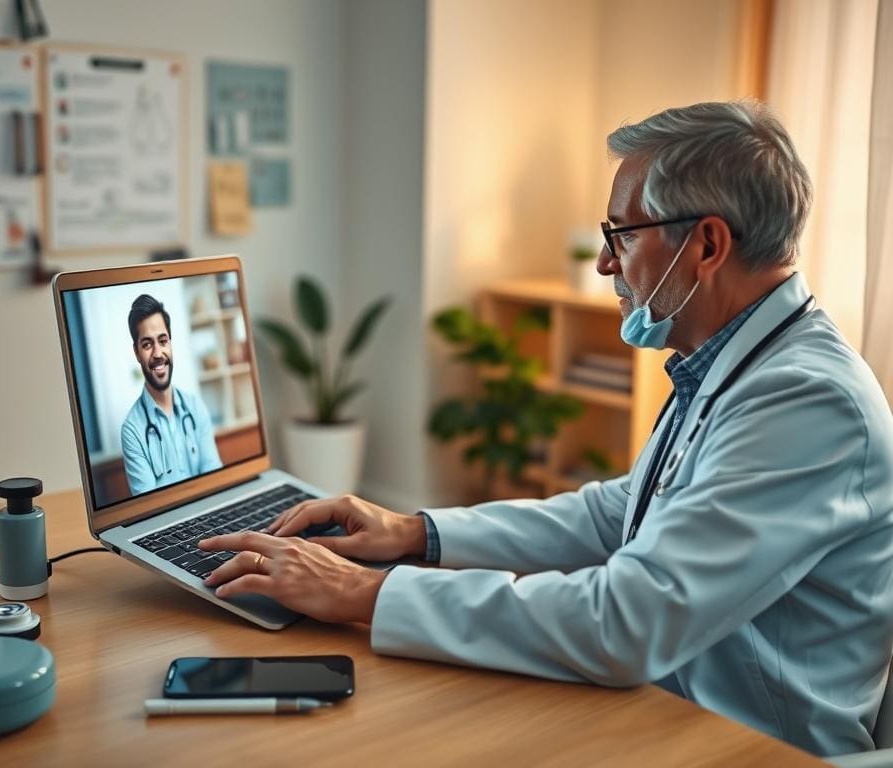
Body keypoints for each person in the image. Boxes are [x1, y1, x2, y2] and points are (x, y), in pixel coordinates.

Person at [198, 102, 893, 757]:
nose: (604, 264)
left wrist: (360, 591)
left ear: (707, 243)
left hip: (745, 748)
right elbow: (618, 516)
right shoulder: (730, 362)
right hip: (667, 709)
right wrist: (414, 533)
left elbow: (626, 622)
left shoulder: (808, 402)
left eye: (621, 235)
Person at [121, 294, 222, 495]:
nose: (158, 353)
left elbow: (215, 480)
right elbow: (147, 508)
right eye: (147, 344)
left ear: (171, 343)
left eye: (163, 340)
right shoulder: (132, 430)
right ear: (136, 353)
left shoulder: (195, 406)